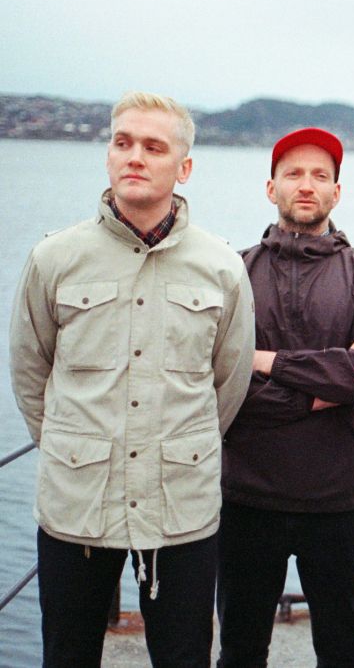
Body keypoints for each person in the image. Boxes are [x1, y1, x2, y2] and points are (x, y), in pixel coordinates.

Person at [9, 91, 255, 667]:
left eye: (153, 146)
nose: (135, 157)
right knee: (67, 655)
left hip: (180, 509)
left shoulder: (221, 267)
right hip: (77, 506)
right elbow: (29, 370)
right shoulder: (54, 259)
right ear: (108, 156)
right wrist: (74, 448)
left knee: (184, 656)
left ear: (184, 167)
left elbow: (230, 380)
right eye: (123, 143)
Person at [216, 128, 354, 667]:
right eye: (293, 174)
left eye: (320, 175)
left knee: (343, 651)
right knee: (240, 650)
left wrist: (265, 362)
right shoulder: (234, 271)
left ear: (337, 191)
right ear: (272, 188)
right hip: (247, 495)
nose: (306, 185)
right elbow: (221, 379)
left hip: (339, 499)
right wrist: (314, 397)